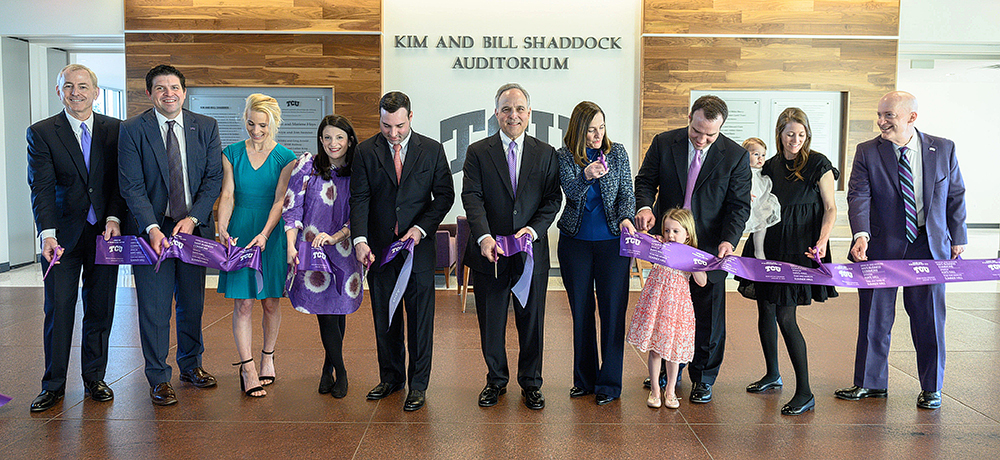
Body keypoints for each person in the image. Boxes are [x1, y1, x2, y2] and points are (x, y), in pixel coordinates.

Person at [837, 91, 967, 410]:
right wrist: (861, 234)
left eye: (889, 116)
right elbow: (859, 196)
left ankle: (932, 388)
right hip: (881, 246)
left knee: (929, 319)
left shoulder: (943, 148)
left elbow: (956, 195)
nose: (881, 122)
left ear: (911, 117)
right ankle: (871, 383)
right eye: (880, 115)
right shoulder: (867, 151)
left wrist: (958, 236)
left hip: (929, 245)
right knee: (874, 317)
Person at [633, 95, 751, 404]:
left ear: (720, 128)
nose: (701, 139)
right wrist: (645, 207)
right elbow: (645, 181)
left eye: (710, 135)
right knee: (668, 313)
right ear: (690, 118)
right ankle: (668, 371)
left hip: (709, 247)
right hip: (669, 245)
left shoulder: (735, 156)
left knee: (708, 314)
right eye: (697, 131)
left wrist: (729, 240)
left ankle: (703, 377)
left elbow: (739, 206)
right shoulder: (664, 142)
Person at [118, 64, 223, 406]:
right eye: (160, 88)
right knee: (155, 307)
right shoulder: (133, 130)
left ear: (184, 91)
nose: (169, 93)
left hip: (193, 229)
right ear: (149, 93)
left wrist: (193, 219)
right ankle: (159, 378)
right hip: (153, 231)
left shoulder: (205, 126)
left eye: (174, 87)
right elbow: (131, 186)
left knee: (192, 304)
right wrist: (150, 228)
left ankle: (191, 366)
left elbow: (213, 180)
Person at [26, 64, 124, 412]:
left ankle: (95, 378)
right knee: (58, 309)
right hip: (61, 239)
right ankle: (53, 385)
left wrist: (113, 217)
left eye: (83, 86)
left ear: (96, 92)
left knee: (100, 309)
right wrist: (47, 233)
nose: (76, 92)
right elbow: (41, 186)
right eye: (69, 86)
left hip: (104, 234)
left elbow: (119, 182)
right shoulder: (42, 132)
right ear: (59, 92)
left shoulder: (116, 130)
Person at [350, 91, 454, 412]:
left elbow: (445, 196)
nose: (393, 134)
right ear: (379, 119)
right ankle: (391, 377)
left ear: (411, 117)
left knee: (420, 321)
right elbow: (360, 199)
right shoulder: (366, 151)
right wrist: (360, 240)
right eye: (385, 126)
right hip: (380, 252)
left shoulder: (432, 150)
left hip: (417, 251)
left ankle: (418, 385)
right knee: (386, 316)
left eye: (398, 126)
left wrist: (421, 228)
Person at [462, 83, 562, 410]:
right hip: (490, 253)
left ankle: (531, 382)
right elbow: (472, 198)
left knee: (531, 321)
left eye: (519, 109)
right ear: (496, 113)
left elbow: (551, 200)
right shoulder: (478, 152)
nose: (513, 115)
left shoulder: (546, 153)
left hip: (531, 253)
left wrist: (532, 231)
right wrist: (484, 236)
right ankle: (495, 380)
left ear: (529, 113)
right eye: (506, 109)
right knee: (491, 322)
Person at [738, 108, 838, 415]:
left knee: (785, 316)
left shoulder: (818, 163)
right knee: (765, 309)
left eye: (801, 134)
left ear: (807, 135)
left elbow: (831, 208)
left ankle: (805, 392)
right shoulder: (769, 165)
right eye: (790, 133)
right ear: (779, 134)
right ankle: (772, 373)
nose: (795, 140)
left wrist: (821, 242)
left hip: (800, 248)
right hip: (769, 245)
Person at [556, 101, 635, 406]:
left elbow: (627, 192)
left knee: (613, 313)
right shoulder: (563, 156)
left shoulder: (617, 153)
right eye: (591, 129)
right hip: (575, 243)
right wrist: (585, 175)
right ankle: (584, 380)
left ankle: (609, 384)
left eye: (601, 127)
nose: (597, 134)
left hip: (613, 244)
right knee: (581, 312)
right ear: (578, 129)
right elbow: (570, 193)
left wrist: (626, 217)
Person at [216, 94, 296, 398]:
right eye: (250, 123)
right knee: (244, 302)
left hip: (271, 232)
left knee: (271, 301)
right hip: (240, 228)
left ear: (273, 122)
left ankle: (268, 356)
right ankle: (247, 367)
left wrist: (264, 234)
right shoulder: (231, 153)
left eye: (262, 124)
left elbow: (280, 200)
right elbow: (228, 194)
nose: (256, 129)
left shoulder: (285, 157)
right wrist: (222, 226)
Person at [283, 114, 364, 399]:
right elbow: (291, 208)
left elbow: (362, 213)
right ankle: (341, 371)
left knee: (338, 309)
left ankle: (327, 367)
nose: (333, 143)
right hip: (312, 252)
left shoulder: (359, 170)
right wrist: (291, 246)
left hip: (344, 251)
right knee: (325, 313)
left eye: (339, 137)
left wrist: (339, 236)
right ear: (320, 139)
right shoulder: (307, 165)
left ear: (350, 140)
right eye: (327, 137)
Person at [627, 208, 707, 409]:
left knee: (674, 352)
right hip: (657, 304)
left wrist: (694, 264)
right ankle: (655, 389)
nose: (670, 235)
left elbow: (702, 282)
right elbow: (640, 248)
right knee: (655, 350)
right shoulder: (660, 246)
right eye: (667, 230)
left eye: (676, 231)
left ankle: (670, 390)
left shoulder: (691, 254)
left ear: (687, 234)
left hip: (677, 308)